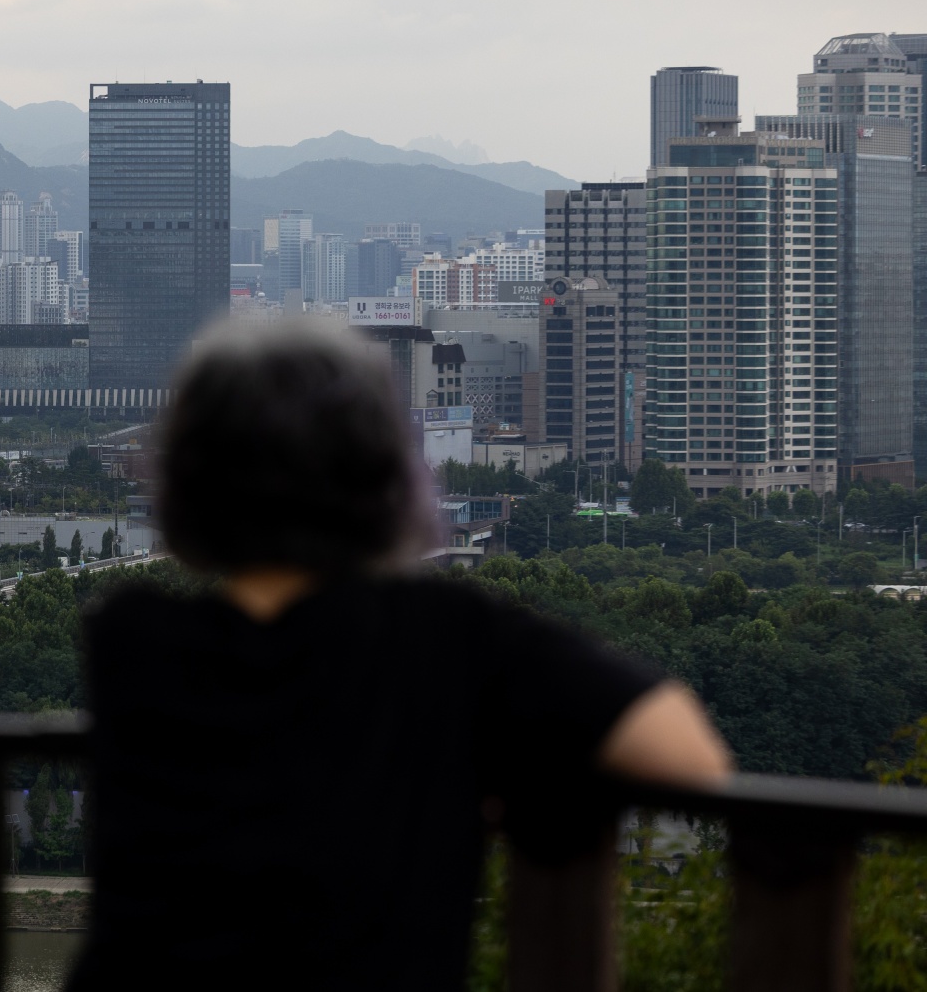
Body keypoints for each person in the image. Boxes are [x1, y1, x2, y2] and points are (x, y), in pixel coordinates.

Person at [68, 319, 730, 991]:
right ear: (384, 475)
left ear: (186, 482)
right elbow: (688, 755)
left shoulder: (132, 641)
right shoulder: (445, 637)